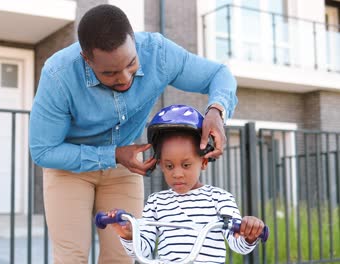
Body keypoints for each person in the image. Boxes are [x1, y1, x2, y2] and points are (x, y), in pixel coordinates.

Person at [29, 4, 238, 264]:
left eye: (131, 64)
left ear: (134, 43)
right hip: (70, 169)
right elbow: (43, 150)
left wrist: (216, 110)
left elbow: (219, 74)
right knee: (71, 258)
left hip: (122, 171)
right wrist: (113, 154)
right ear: (87, 59)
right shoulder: (58, 75)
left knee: (124, 255)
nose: (125, 77)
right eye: (110, 73)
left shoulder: (158, 53)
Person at [106, 105, 264, 263]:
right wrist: (129, 234)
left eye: (186, 165)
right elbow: (144, 250)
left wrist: (248, 234)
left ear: (203, 162)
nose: (177, 173)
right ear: (160, 164)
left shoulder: (219, 198)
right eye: (169, 166)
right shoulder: (156, 202)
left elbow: (238, 244)